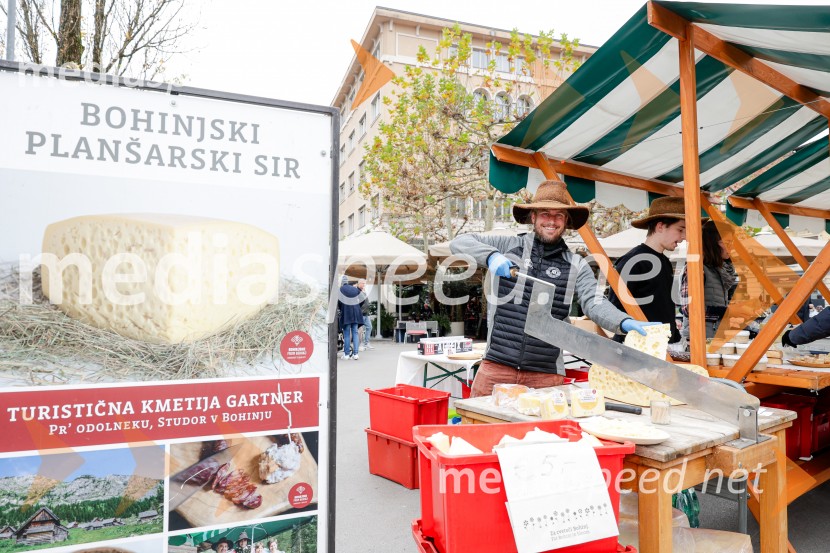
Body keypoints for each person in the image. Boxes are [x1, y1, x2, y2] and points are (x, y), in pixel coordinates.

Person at [450, 179, 658, 397]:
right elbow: (460, 242)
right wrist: (491, 256)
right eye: (545, 214)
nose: (552, 221)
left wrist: (623, 322)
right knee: (483, 427)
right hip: (496, 367)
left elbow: (594, 303)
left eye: (559, 215)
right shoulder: (508, 246)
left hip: (546, 374)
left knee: (543, 432)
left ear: (566, 221)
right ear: (533, 217)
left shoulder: (576, 264)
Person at [608, 196, 692, 344]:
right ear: (660, 226)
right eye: (680, 229)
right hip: (635, 348)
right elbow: (613, 309)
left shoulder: (665, 261)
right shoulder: (633, 260)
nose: (684, 237)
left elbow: (663, 307)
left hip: (660, 346)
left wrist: (675, 337)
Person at [680, 220, 737, 340]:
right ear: (712, 244)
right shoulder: (696, 268)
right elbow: (689, 310)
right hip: (698, 340)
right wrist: (727, 312)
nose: (732, 246)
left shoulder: (719, 271)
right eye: (727, 242)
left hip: (714, 337)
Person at [338, 276, 363, 360]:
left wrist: (342, 308)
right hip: (356, 313)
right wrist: (357, 306)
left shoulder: (340, 289)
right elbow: (362, 298)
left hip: (346, 314)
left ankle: (347, 354)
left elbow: (338, 302)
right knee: (355, 333)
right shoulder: (354, 289)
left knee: (347, 334)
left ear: (341, 282)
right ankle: (355, 354)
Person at [356, 279, 374, 350]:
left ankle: (366, 343)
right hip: (361, 314)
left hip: (366, 313)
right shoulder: (357, 291)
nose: (364, 285)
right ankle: (360, 345)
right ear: (359, 283)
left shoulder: (363, 291)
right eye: (363, 283)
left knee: (369, 327)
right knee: (360, 330)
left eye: (365, 283)